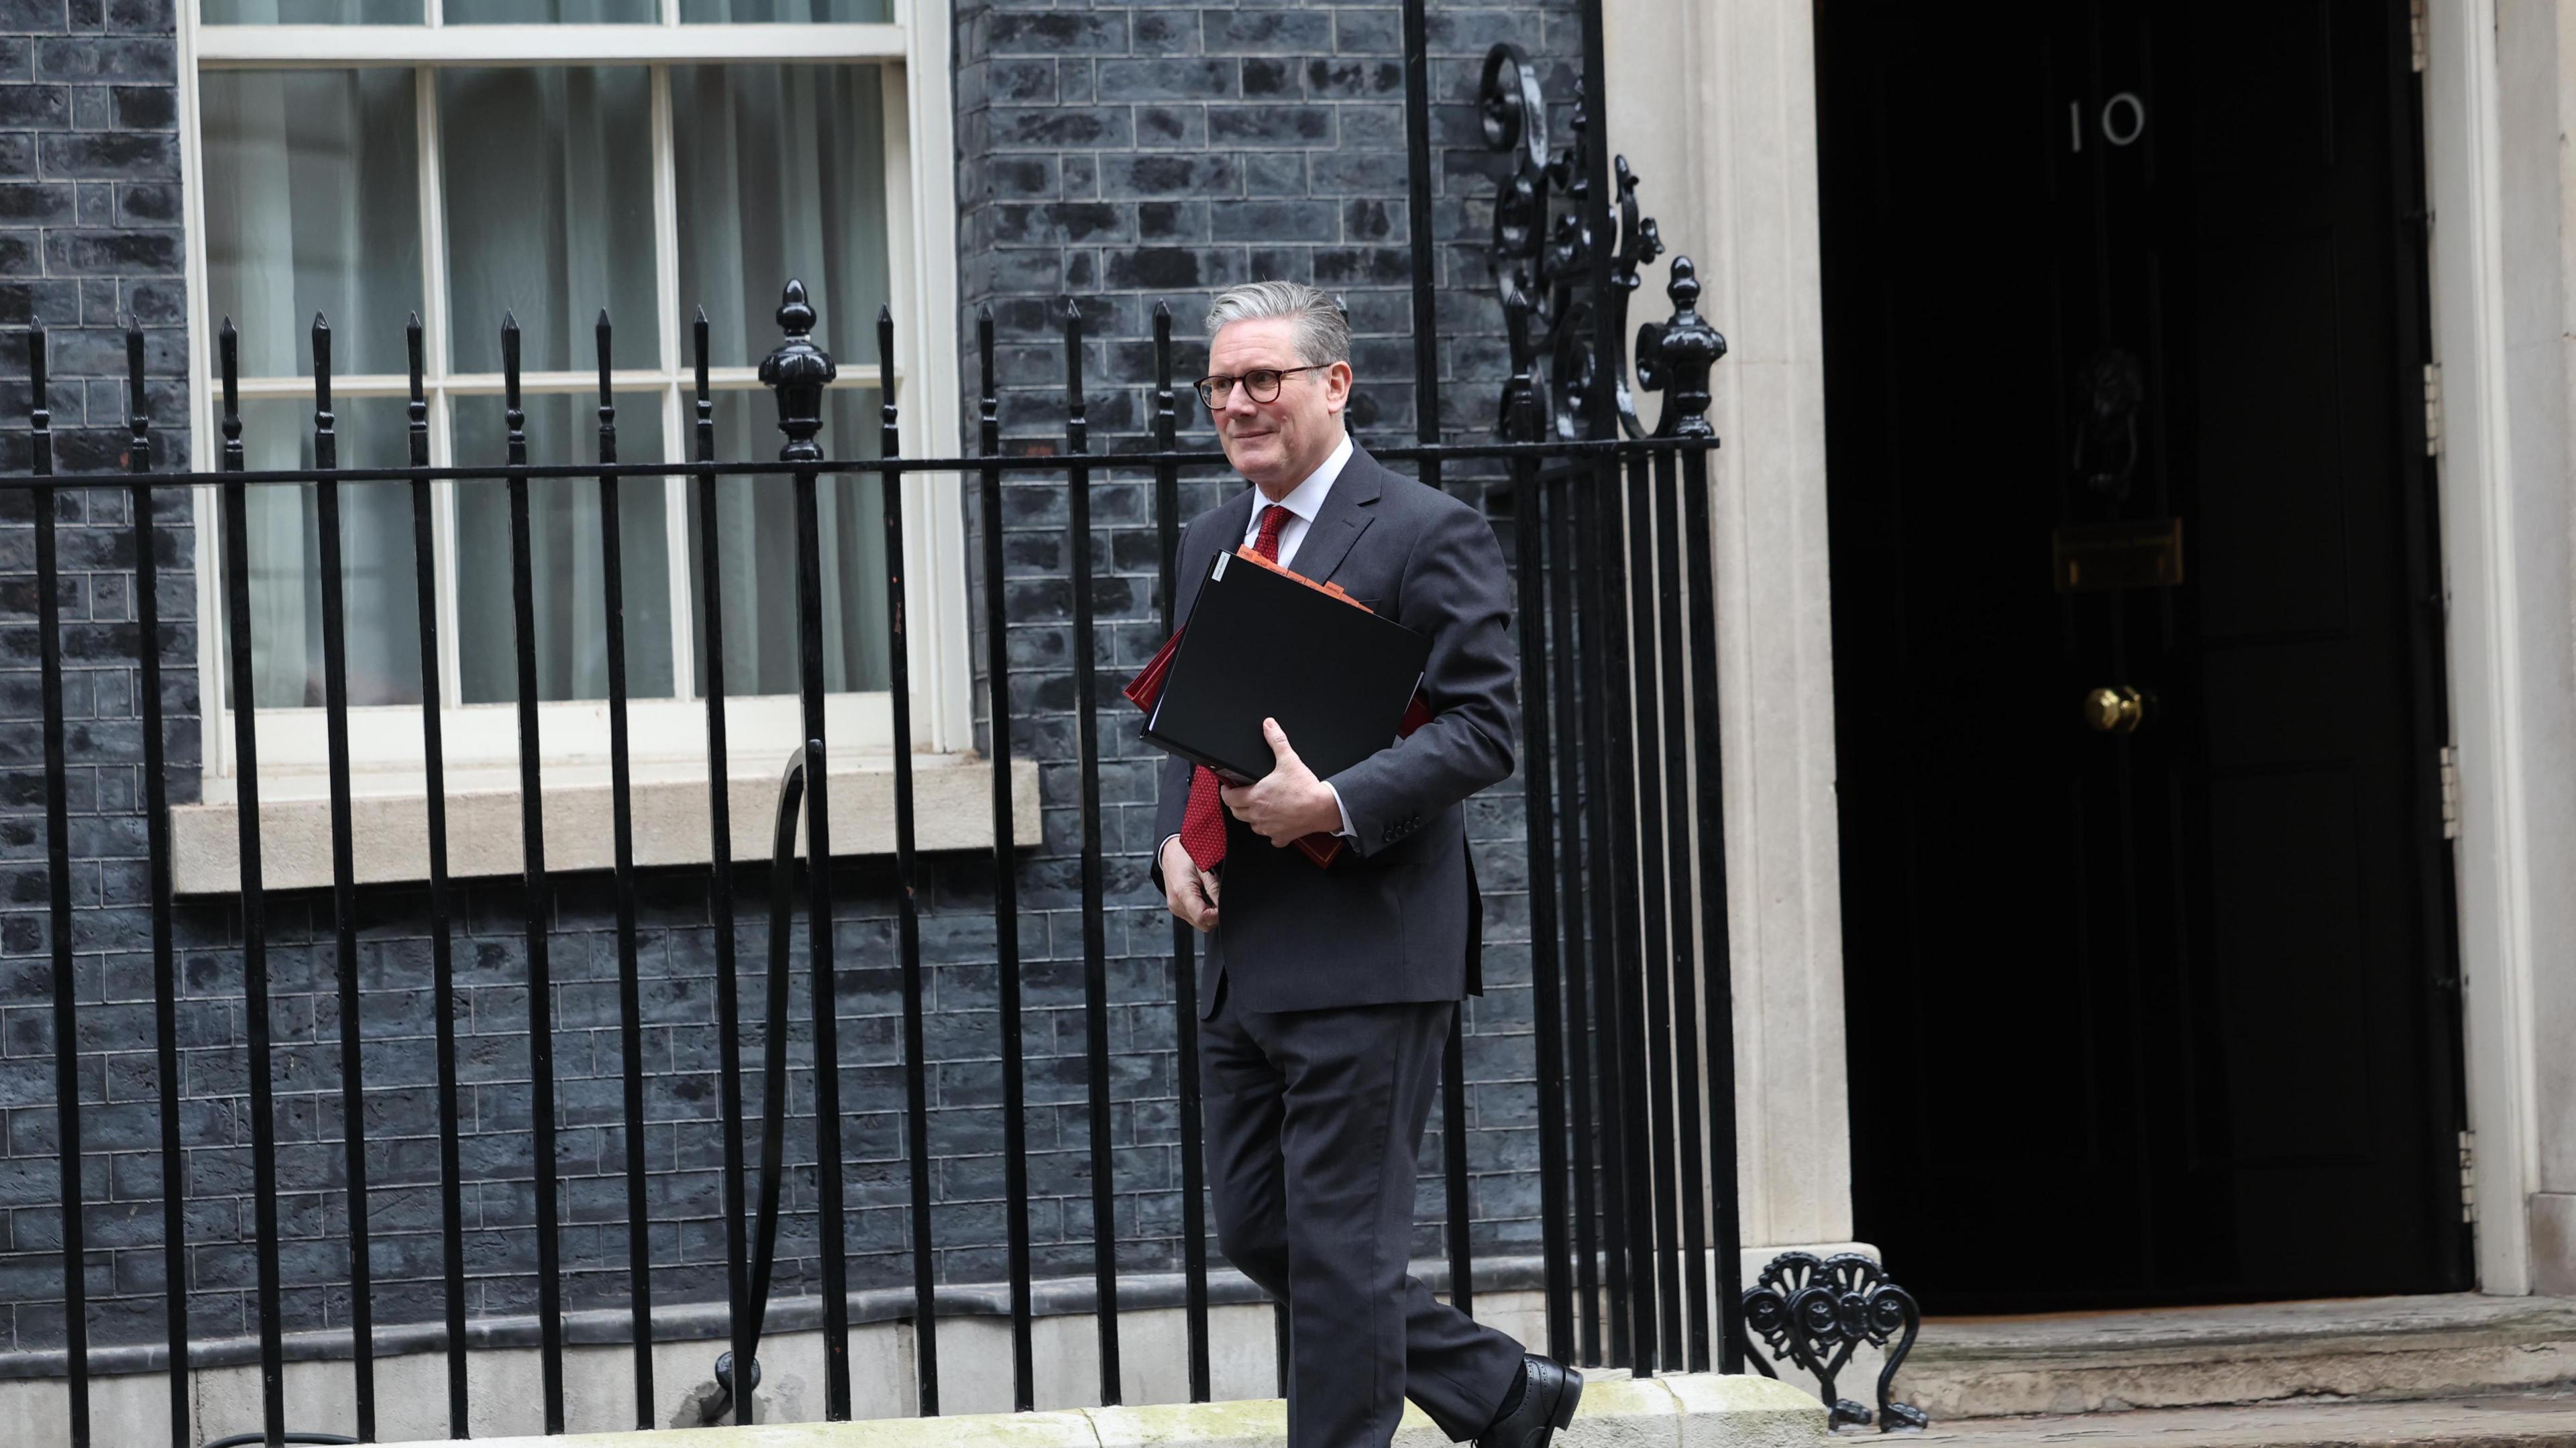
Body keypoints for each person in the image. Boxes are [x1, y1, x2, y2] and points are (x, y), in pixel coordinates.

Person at [1151, 280, 1582, 1448]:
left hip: (1372, 949)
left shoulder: (1424, 529)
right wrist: (1176, 844)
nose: (1237, 405)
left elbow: (1482, 728)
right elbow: (1195, 718)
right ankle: (1497, 1392)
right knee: (1263, 1232)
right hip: (1244, 953)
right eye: (1221, 386)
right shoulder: (1208, 538)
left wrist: (1331, 800)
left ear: (1333, 385)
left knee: (1344, 1256)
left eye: (1262, 381)